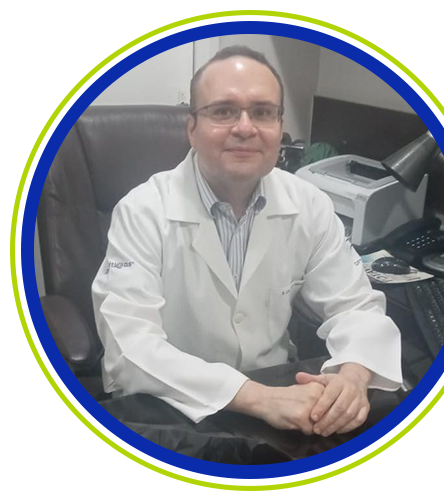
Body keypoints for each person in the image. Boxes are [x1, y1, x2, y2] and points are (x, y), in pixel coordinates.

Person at [92, 45, 402, 437]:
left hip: (281, 397)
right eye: (223, 111)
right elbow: (130, 348)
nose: (245, 127)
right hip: (174, 409)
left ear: (279, 126)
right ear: (192, 128)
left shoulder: (308, 204)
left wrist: (353, 377)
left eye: (262, 112)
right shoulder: (142, 211)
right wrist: (258, 398)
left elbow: (356, 306)